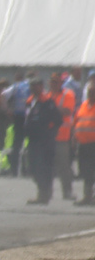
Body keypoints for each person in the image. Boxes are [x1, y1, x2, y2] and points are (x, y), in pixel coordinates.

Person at [23, 78, 63, 205]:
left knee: (43, 167)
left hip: (44, 141)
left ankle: (44, 194)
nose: (34, 88)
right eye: (32, 86)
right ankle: (42, 192)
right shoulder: (30, 101)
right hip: (33, 140)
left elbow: (58, 120)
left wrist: (50, 132)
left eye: (37, 85)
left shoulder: (47, 102)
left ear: (42, 86)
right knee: (33, 167)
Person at [49, 72, 77, 200]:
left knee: (64, 166)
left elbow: (67, 111)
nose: (53, 84)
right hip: (48, 137)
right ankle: (46, 193)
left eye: (56, 81)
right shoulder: (48, 95)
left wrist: (51, 107)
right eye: (52, 81)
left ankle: (68, 192)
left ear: (61, 82)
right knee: (48, 166)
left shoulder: (68, 94)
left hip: (62, 136)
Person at [0, 71, 30, 176]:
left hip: (18, 117)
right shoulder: (32, 86)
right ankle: (27, 170)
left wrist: (7, 110)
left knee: (16, 145)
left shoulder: (16, 86)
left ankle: (14, 170)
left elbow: (2, 95)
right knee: (31, 144)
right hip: (31, 117)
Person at [72, 75, 95, 205]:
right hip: (84, 145)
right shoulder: (84, 105)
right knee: (85, 171)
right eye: (89, 91)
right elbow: (76, 123)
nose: (90, 94)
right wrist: (74, 139)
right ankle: (87, 196)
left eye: (93, 91)